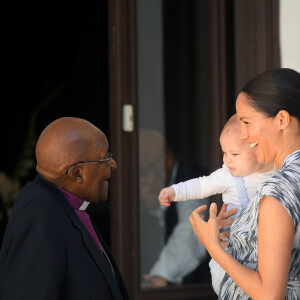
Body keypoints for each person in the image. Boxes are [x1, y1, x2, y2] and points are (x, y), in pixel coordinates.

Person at [189, 68, 300, 299]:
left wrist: (212, 246)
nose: (244, 135)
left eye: (247, 122)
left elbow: (269, 295)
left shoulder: (279, 189)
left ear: (282, 120)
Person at [0, 117, 130, 300]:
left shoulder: (63, 204)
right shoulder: (39, 217)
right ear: (77, 174)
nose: (113, 164)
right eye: (105, 158)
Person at [158, 114, 275, 294]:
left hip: (268, 252)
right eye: (224, 152)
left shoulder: (278, 172)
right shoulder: (228, 176)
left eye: (234, 154)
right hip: (234, 253)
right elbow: (201, 185)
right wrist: (174, 191)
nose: (226, 160)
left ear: (257, 147)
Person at [139, 129, 210, 287]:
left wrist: (160, 277)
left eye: (144, 172)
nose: (140, 183)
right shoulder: (151, 196)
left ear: (167, 161)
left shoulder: (192, 181)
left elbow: (191, 229)